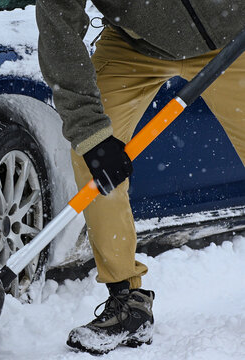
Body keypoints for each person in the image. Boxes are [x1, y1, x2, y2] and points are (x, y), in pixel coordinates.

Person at [35, 0, 245, 355]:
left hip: (231, 38)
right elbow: (59, 28)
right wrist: (91, 133)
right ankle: (127, 305)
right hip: (134, 45)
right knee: (93, 157)